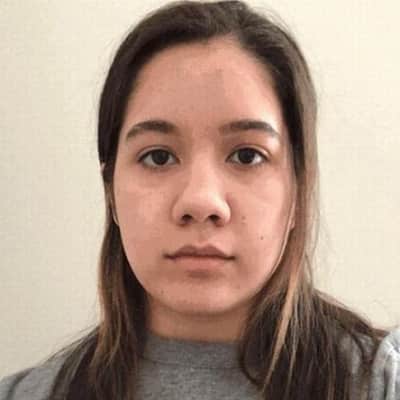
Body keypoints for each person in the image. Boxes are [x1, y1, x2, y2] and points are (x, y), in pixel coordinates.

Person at [1, 1, 399, 399]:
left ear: (298, 188)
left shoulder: (378, 383)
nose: (201, 201)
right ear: (111, 191)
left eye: (247, 155)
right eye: (158, 157)